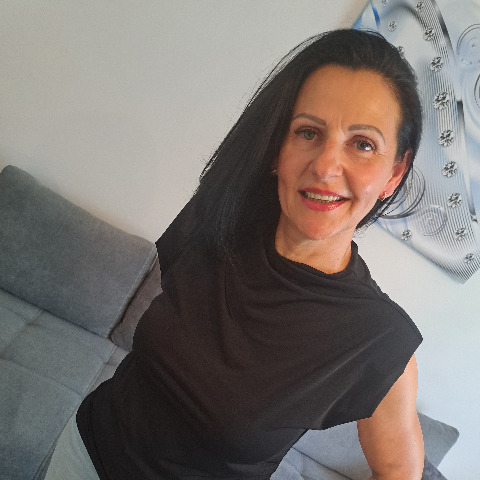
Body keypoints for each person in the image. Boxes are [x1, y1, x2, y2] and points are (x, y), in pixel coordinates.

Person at [45, 29, 424, 480]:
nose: (325, 166)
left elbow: (399, 470)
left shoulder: (380, 339)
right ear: (277, 149)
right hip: (82, 451)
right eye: (308, 132)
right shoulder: (218, 218)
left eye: (363, 144)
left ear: (394, 173)